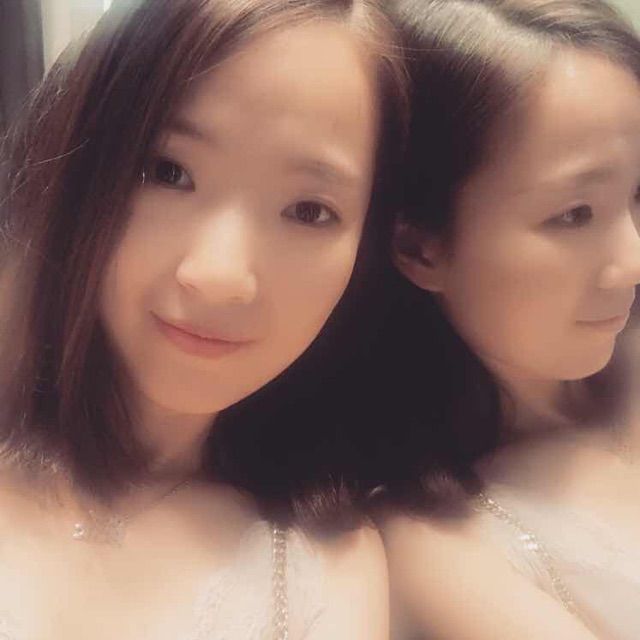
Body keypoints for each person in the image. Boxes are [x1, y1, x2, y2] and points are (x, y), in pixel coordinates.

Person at [0, 0, 408, 637]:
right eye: (167, 172)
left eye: (309, 211)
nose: (220, 275)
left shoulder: (326, 560)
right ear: (82, 164)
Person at [377, 0, 640, 638]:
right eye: (574, 214)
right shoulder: (436, 543)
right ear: (420, 247)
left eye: (639, 195)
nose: (633, 261)